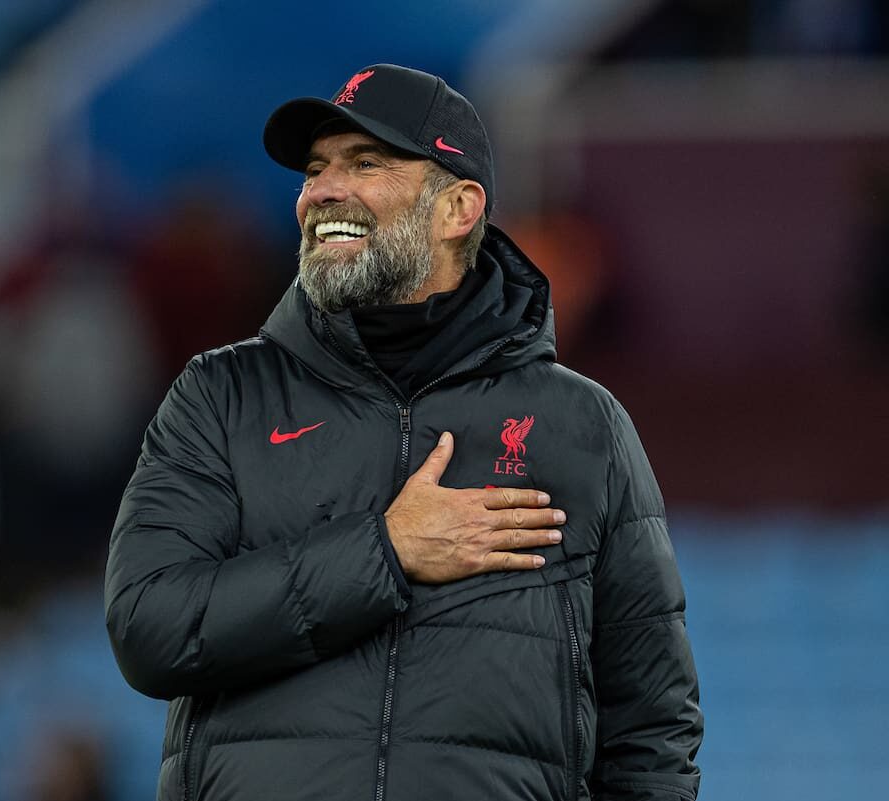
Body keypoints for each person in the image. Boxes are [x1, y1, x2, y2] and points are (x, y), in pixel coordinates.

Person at [105, 64, 703, 801]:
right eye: (315, 169)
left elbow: (651, 730)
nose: (322, 189)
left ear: (457, 208)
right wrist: (384, 550)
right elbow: (149, 628)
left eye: (365, 163)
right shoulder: (221, 397)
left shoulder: (582, 427)